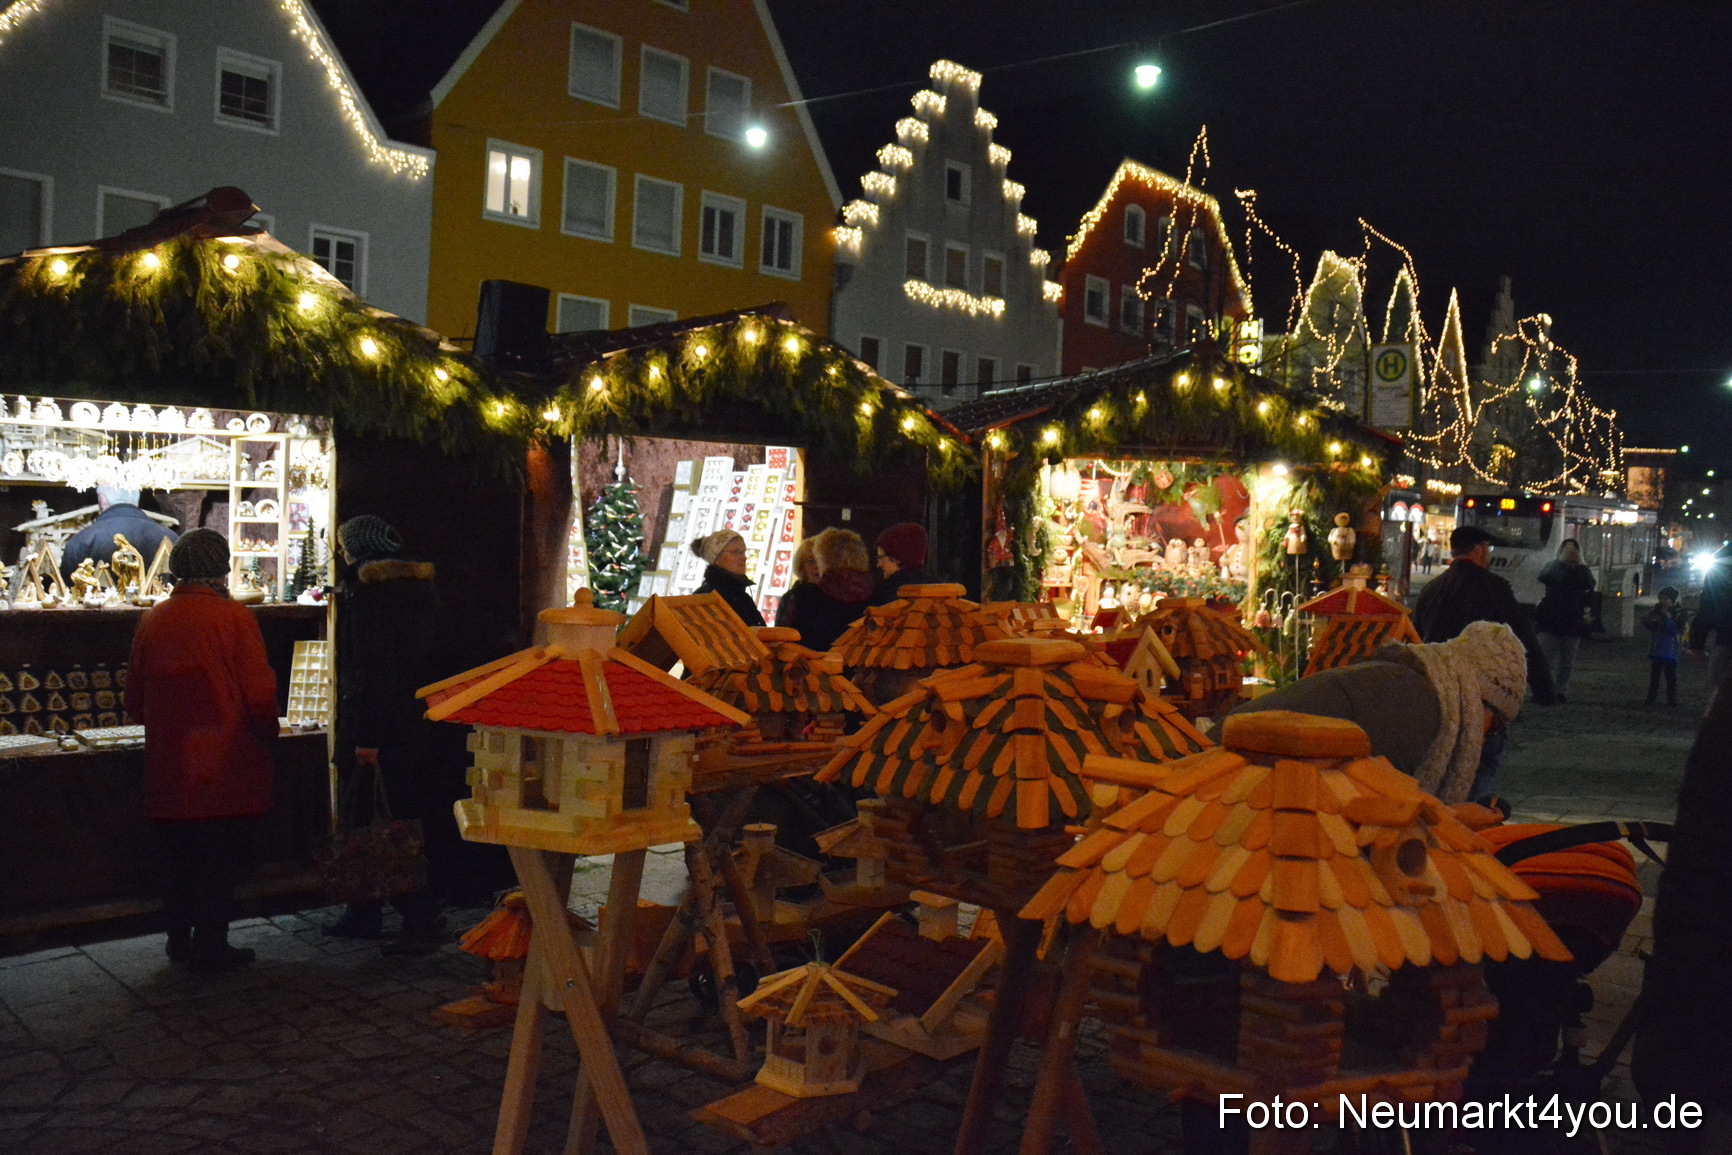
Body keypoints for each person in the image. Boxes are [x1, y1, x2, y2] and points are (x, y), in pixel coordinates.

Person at [125, 529, 278, 973]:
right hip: (225, 763)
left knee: (177, 857)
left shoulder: (153, 619)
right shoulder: (235, 618)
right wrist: (268, 737)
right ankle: (212, 943)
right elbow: (259, 693)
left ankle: (178, 939)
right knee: (218, 858)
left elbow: (134, 699)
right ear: (220, 567)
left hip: (169, 765)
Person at [1220, 621, 1529, 804]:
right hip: (1224, 786)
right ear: (1479, 702)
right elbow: (1378, 816)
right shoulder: (1416, 705)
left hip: (1244, 782)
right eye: (1496, 724)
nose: (1487, 737)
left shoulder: (1410, 683)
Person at [327, 515, 444, 956]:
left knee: (383, 822)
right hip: (409, 726)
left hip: (382, 731)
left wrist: (366, 738)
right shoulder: (415, 593)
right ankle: (365, 909)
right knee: (387, 820)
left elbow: (376, 672)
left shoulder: (374, 598)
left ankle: (417, 914)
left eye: (345, 547)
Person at [1412, 524, 1554, 800]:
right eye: (1487, 549)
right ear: (1478, 550)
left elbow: (1417, 639)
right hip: (1481, 696)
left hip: (1438, 691)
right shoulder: (1493, 588)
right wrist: (1544, 688)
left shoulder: (1432, 589)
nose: (1488, 554)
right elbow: (1522, 638)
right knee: (1481, 768)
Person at [60, 484, 178, 583]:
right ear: (136, 500)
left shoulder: (81, 541)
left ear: (102, 500)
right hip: (158, 610)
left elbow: (68, 591)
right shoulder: (170, 538)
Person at [789, 526, 873, 652]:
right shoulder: (872, 591)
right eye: (811, 561)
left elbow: (789, 642)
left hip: (818, 667)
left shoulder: (809, 596)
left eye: (817, 559)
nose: (817, 566)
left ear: (825, 559)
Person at [1533, 538, 1596, 702]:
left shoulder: (1582, 571)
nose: (1571, 552)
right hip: (1552, 619)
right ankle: (1543, 690)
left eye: (1573, 549)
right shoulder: (1553, 567)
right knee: (1545, 659)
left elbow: (1589, 588)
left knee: (1566, 661)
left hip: (1570, 620)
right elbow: (1545, 577)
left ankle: (1559, 691)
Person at [691, 529, 764, 628]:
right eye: (736, 552)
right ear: (717, 559)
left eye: (743, 552)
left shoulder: (741, 595)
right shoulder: (707, 597)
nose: (744, 558)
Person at [1685, 542, 1732, 691]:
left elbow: (1709, 605)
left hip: (1726, 640)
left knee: (1723, 690)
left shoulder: (1722, 562)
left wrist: (1697, 643)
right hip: (1725, 640)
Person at [871, 522, 929, 606]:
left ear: (897, 558)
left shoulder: (886, 593)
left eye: (881, 557)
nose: (878, 564)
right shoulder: (940, 591)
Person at [1645, 586, 1685, 707]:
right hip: (1657, 648)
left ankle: (1671, 699)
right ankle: (1651, 698)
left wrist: (1667, 619)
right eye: (1660, 598)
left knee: (1671, 677)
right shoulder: (1656, 611)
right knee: (1655, 677)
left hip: (1671, 650)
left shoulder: (1679, 613)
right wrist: (1651, 621)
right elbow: (1647, 624)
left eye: (1666, 598)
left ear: (1673, 600)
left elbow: (1675, 631)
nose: (1662, 601)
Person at [773, 536, 821, 630]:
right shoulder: (791, 599)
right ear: (801, 567)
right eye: (811, 561)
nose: (817, 566)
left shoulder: (837, 594)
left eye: (820, 560)